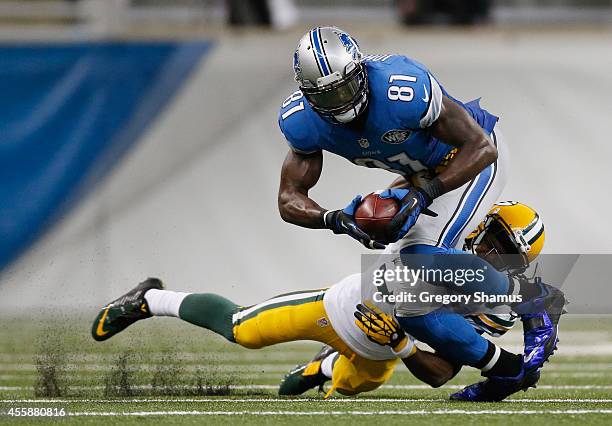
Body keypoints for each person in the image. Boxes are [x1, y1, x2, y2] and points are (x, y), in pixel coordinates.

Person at [91, 202, 556, 401]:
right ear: (481, 226)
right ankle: (149, 298)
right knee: (243, 330)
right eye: (494, 239)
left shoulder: (492, 303)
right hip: (340, 310)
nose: (491, 254)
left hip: (383, 352)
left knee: (341, 393)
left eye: (505, 251)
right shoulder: (442, 239)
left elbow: (444, 374)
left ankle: (324, 367)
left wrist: (403, 348)